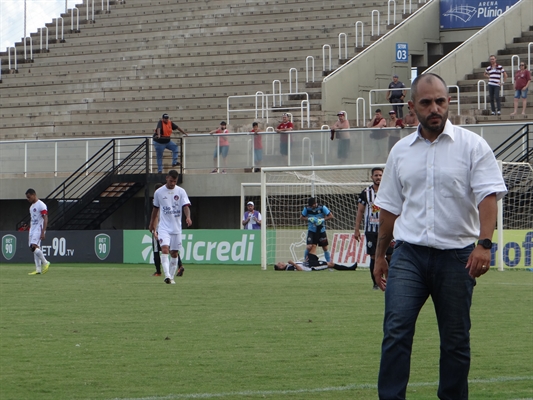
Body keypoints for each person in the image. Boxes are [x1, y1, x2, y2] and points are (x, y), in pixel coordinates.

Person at [373, 73, 507, 400]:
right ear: (411, 107)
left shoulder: (473, 145)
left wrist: (484, 244)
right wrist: (379, 256)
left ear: (448, 101)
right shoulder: (400, 152)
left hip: (457, 258)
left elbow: (487, 197)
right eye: (426, 102)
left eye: (441, 101)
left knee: (456, 341)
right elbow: (388, 208)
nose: (435, 108)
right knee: (396, 332)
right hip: (409, 256)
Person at [148, 170, 192, 284]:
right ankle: (166, 275)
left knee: (175, 253)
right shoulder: (159, 192)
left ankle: (171, 277)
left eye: (175, 181)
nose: (172, 183)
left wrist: (188, 217)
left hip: (176, 227)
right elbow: (155, 209)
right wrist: (152, 223)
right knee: (164, 249)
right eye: (171, 180)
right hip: (164, 227)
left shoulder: (181, 191)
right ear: (167, 178)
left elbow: (186, 206)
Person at [353, 167, 394, 290]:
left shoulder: (389, 191)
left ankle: (391, 282)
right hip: (371, 230)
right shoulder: (365, 193)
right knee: (373, 257)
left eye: (380, 175)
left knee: (390, 256)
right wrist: (356, 229)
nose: (378, 178)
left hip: (387, 229)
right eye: (376, 175)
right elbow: (360, 211)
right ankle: (376, 284)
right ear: (372, 177)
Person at [25, 188, 51, 275]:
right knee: (34, 248)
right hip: (32, 229)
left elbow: (45, 218)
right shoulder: (31, 207)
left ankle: (45, 262)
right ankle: (38, 269)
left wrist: (43, 231)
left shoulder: (41, 205)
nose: (28, 199)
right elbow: (33, 219)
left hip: (39, 229)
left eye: (29, 197)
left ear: (34, 195)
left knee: (33, 247)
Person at [300, 197, 334, 262]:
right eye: (310, 206)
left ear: (315, 203)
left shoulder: (322, 207)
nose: (312, 207)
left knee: (325, 248)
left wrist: (322, 219)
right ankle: (305, 262)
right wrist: (309, 219)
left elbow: (331, 216)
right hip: (312, 231)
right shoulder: (306, 208)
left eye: (312, 205)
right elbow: (301, 217)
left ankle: (329, 264)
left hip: (321, 230)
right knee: (309, 246)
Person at [274, 252, 357, 271]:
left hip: (308, 263)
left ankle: (350, 268)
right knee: (331, 264)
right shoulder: (289, 268)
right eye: (279, 264)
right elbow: (300, 270)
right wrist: (293, 263)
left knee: (311, 253)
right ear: (281, 267)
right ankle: (350, 268)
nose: (280, 262)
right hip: (311, 267)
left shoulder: (288, 266)